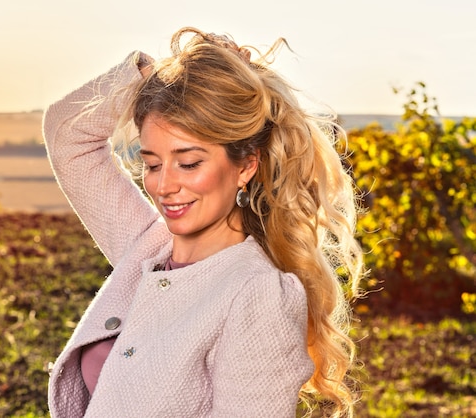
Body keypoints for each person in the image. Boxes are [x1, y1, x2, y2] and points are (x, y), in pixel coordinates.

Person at [42, 27, 364, 417]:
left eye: (189, 163)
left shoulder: (257, 295)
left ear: (246, 165)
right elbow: (67, 133)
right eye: (152, 164)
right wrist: (154, 76)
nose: (163, 186)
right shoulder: (148, 246)